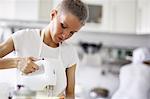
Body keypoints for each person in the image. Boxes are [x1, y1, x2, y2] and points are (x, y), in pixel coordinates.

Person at [0, 0, 89, 98]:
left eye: (72, 32)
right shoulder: (23, 37)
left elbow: (70, 93)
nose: (65, 35)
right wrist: (16, 63)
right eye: (63, 26)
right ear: (53, 15)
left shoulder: (70, 53)